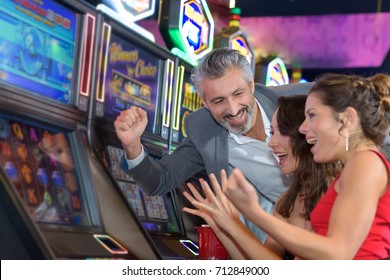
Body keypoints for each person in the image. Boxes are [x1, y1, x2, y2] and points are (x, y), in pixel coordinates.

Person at [114, 48, 313, 242]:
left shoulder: (303, 100)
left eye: (238, 94)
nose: (233, 109)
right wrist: (132, 145)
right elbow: (160, 180)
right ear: (204, 102)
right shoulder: (203, 128)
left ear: (251, 85)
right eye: (219, 101)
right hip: (278, 244)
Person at [220, 73, 390, 259]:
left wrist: (255, 213)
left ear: (347, 118)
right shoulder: (356, 167)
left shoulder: (365, 162)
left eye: (312, 115)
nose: (303, 128)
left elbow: (337, 253)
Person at [183, 95, 340, 259]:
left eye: (283, 132)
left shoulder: (339, 189)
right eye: (272, 132)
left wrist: (236, 223)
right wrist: (221, 224)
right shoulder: (287, 200)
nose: (271, 142)